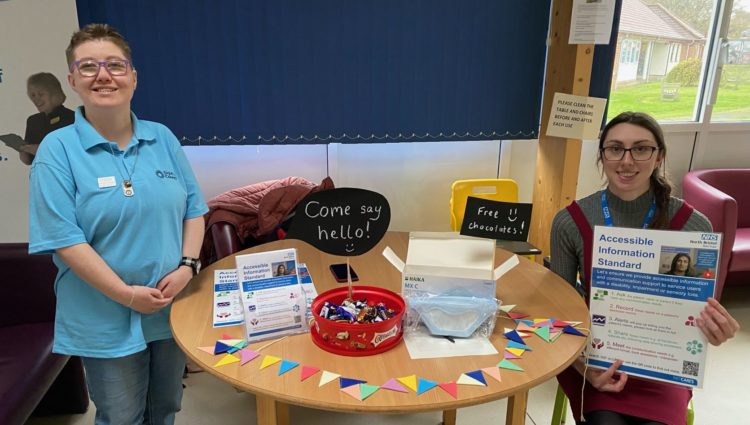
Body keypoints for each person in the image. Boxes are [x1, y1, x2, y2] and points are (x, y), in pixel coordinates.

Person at [28, 24, 207, 425]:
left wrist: (186, 268)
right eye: (88, 66)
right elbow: (65, 239)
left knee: (165, 407)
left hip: (168, 306)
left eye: (115, 64)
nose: (103, 75)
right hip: (102, 313)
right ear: (72, 80)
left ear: (133, 77)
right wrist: (127, 295)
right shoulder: (57, 151)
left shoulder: (162, 138)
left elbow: (194, 210)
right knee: (122, 415)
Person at [550, 111, 740, 425]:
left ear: (659, 156)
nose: (627, 160)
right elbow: (560, 312)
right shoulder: (570, 221)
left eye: (641, 148)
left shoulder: (693, 226)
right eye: (615, 148)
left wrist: (715, 330)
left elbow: (698, 310)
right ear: (602, 156)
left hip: (663, 365)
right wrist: (584, 367)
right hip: (595, 355)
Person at [19, 72, 75, 165]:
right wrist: (22, 150)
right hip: (40, 176)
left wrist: (42, 150)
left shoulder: (71, 118)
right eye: (33, 95)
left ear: (54, 93)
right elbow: (29, 161)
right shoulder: (33, 121)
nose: (36, 99)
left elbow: (74, 154)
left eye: (40, 94)